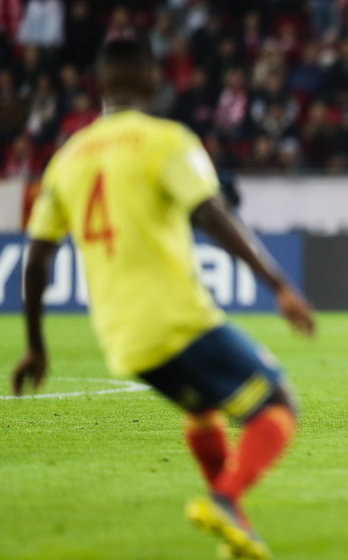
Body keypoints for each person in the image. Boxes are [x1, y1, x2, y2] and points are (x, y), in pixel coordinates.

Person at [10, 38, 315, 560]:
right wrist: (279, 285)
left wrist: (36, 346)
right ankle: (225, 499)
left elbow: (35, 261)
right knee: (277, 410)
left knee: (202, 415)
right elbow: (212, 213)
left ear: (98, 87)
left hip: (122, 339)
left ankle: (236, 528)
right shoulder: (165, 140)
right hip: (180, 321)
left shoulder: (65, 160)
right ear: (153, 83)